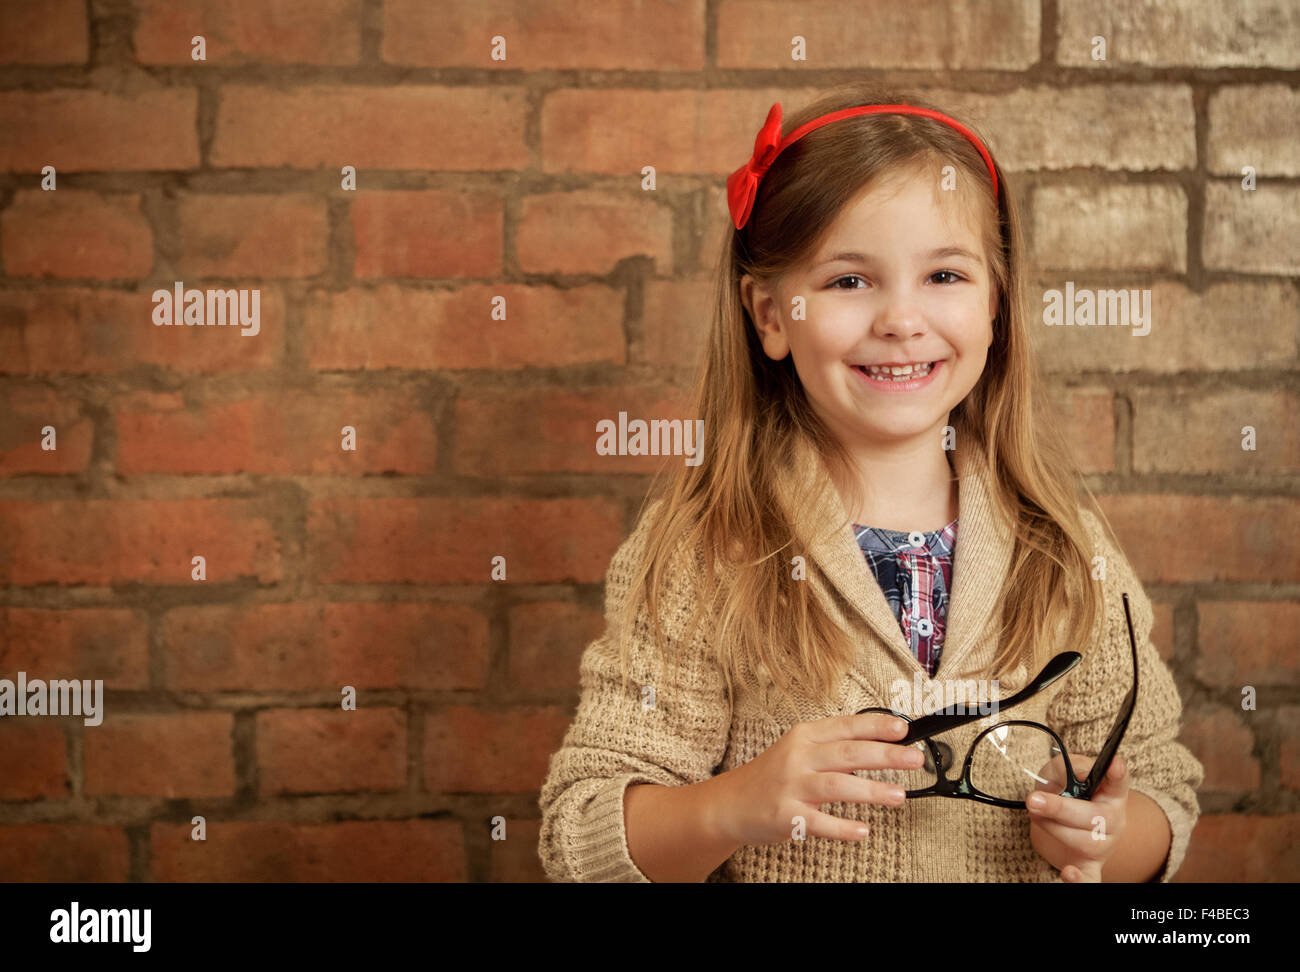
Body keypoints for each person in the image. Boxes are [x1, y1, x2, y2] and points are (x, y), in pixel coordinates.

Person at [537, 82, 1203, 882]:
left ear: (996, 302)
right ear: (772, 316)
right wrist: (735, 803)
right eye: (850, 281)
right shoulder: (706, 549)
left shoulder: (1063, 548)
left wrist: (1107, 836)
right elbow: (579, 837)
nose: (900, 319)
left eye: (945, 277)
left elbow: (1163, 793)